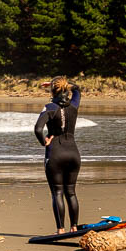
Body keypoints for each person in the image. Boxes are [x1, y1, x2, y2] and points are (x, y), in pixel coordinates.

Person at [34, 76, 81, 233]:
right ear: (65, 89)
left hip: (56, 153)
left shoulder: (49, 107)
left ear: (52, 91)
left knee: (58, 192)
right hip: (73, 153)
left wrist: (44, 141)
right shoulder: (73, 106)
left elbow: (38, 129)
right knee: (71, 192)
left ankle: (60, 229)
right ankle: (74, 227)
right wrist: (66, 85)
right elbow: (77, 89)